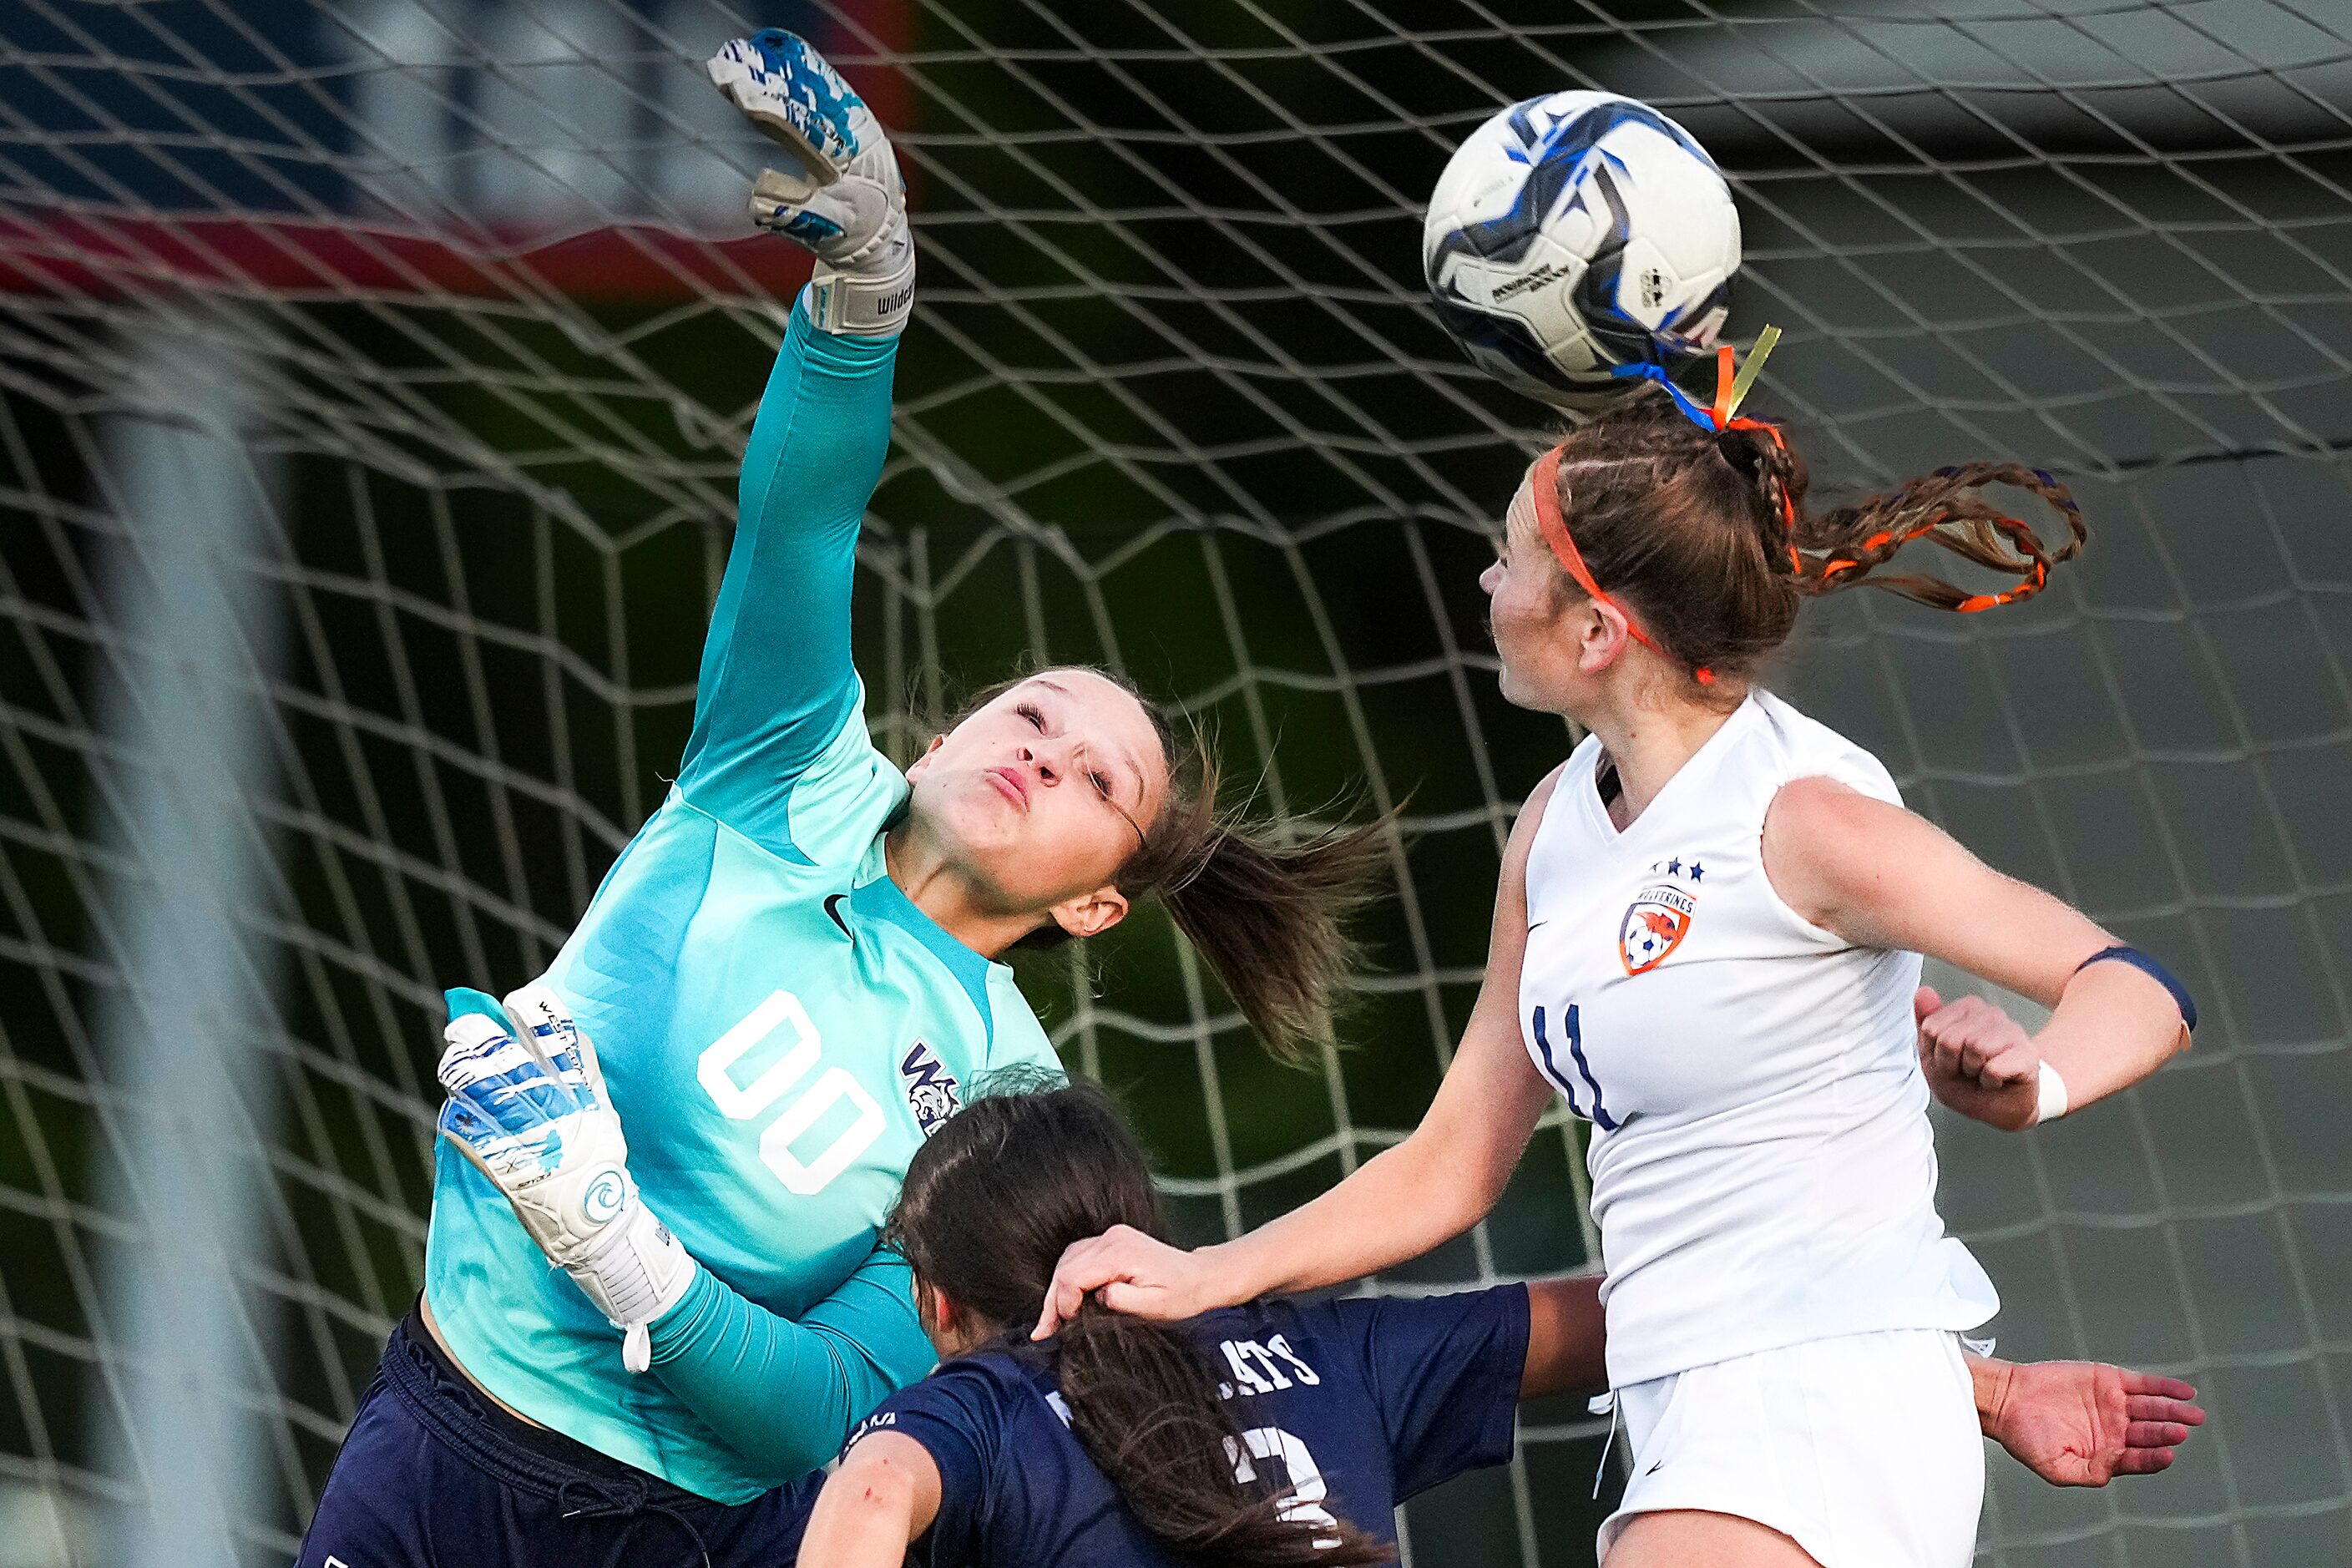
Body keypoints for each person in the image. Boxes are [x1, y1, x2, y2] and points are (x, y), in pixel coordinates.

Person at [295, 28, 1382, 1568]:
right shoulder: (783, 769)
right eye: (1031, 712)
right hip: (434, 1426)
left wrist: (614, 1241)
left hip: (669, 1529)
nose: (1043, 752)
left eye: (1096, 781)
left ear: (1092, 900)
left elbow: (835, 1418)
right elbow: (798, 519)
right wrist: (861, 300)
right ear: (934, 742)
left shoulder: (1011, 1108)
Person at [1034, 377, 2201, 1567]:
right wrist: (1204, 1272)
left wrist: (2034, 1076)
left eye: (1508, 557)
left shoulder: (1804, 821)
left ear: (1597, 633)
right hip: (1691, 1408)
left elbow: (2136, 986)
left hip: (1821, 1409)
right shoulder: (1556, 822)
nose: (1487, 582)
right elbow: (1451, 1163)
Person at [802, 1080, 2203, 1567]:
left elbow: (870, 1487)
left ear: (935, 1301)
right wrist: (1979, 1379)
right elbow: (1646, 1312)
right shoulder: (1318, 1347)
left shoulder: (979, 1405)